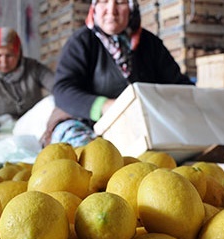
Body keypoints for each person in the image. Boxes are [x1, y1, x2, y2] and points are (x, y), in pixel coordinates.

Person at [44, 0, 194, 147]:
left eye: (121, 2)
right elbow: (63, 90)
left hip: (138, 124)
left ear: (131, 8)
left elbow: (179, 85)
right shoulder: (81, 41)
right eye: (103, 2)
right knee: (92, 156)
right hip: (84, 122)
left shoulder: (150, 44)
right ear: (95, 6)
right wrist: (107, 107)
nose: (111, 9)